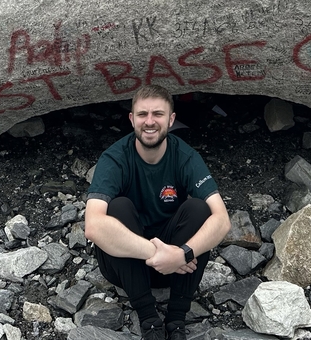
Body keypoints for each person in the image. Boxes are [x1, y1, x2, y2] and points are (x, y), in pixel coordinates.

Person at [85, 84, 231, 340]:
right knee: (117, 207)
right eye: (142, 114)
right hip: (126, 265)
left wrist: (183, 252)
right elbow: (93, 226)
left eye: (158, 114)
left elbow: (222, 219)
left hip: (174, 269)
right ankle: (149, 320)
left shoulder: (185, 156)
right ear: (131, 119)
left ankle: (176, 320)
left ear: (171, 119)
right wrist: (162, 255)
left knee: (199, 208)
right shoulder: (115, 158)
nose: (149, 122)